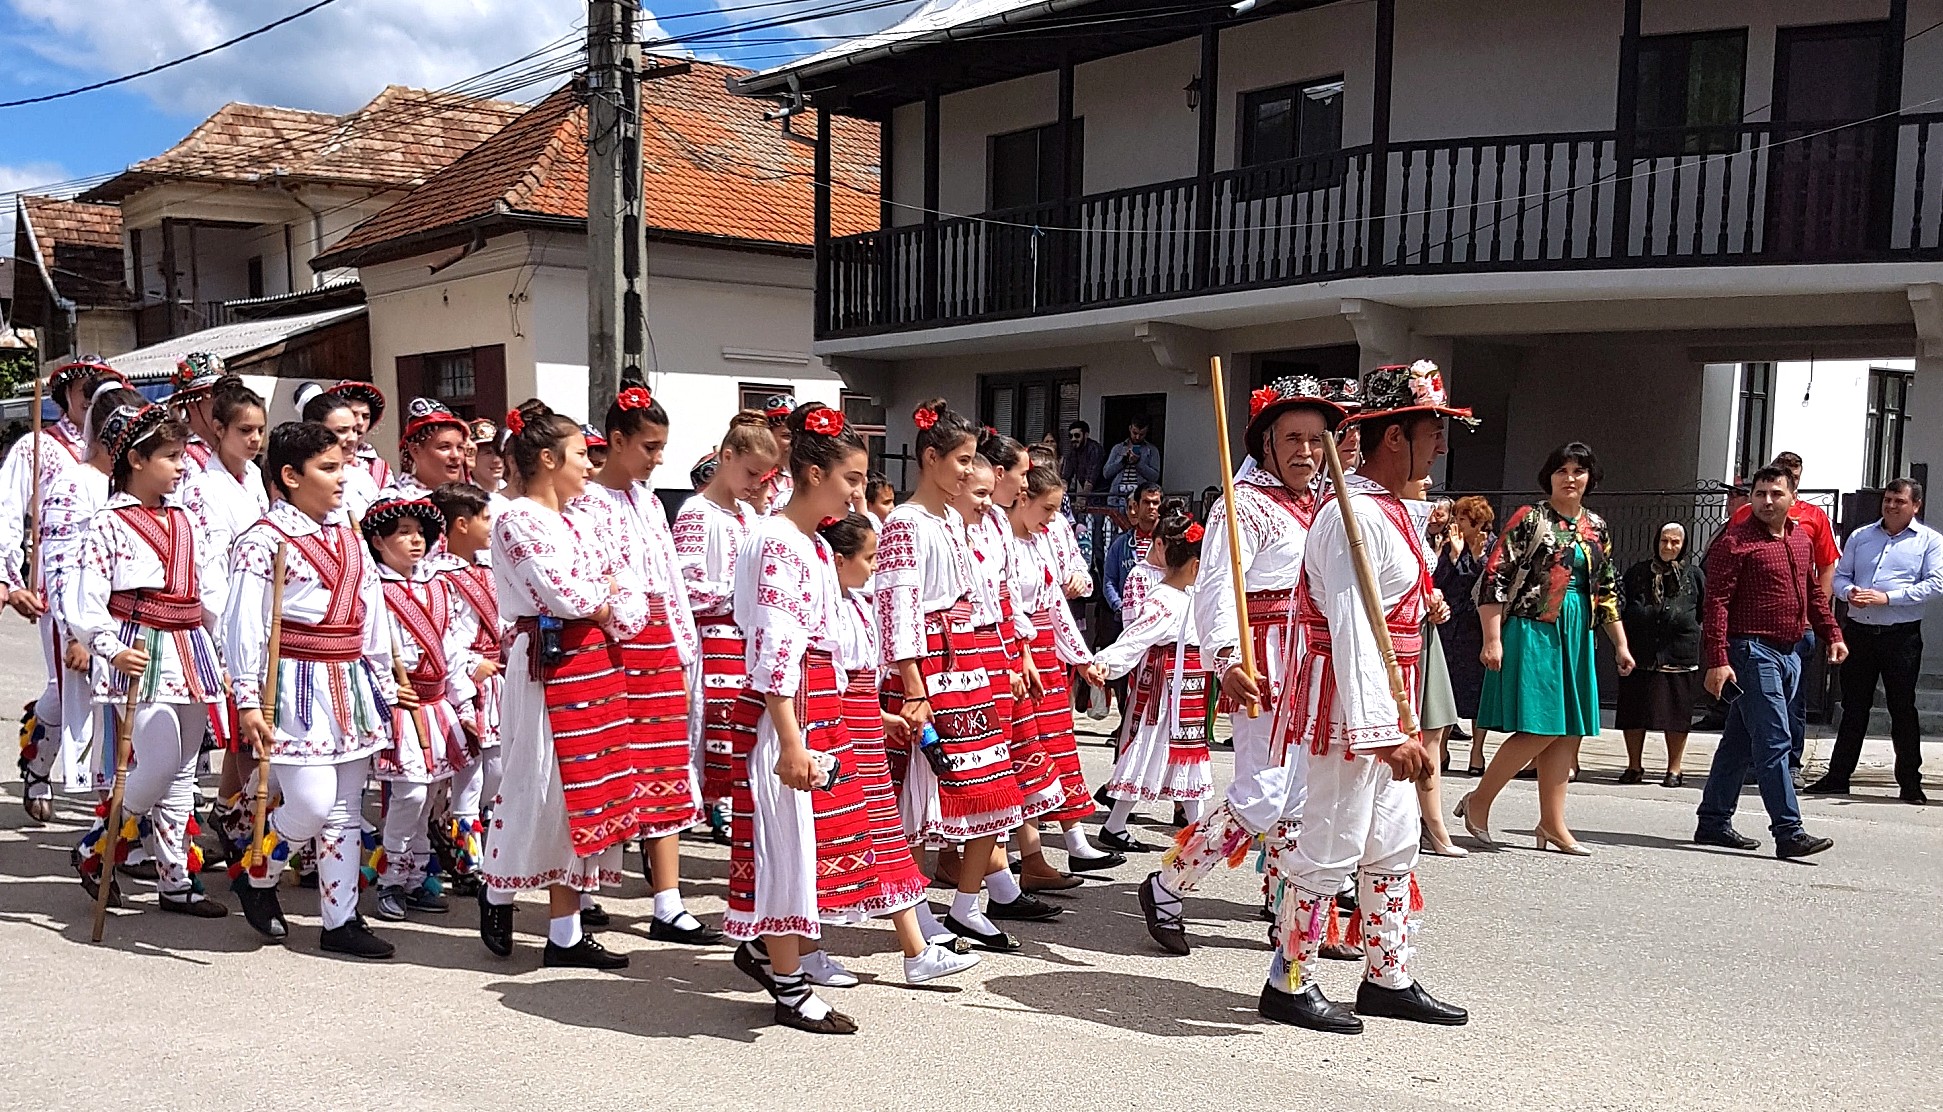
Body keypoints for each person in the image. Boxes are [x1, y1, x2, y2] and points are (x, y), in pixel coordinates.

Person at [1263, 361, 1469, 1033]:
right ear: (1392, 438)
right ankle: (1288, 980)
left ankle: (1387, 975)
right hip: (1350, 706)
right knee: (1330, 837)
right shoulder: (1348, 519)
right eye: (1431, 431)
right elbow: (1353, 632)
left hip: (1390, 695)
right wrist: (1382, 729)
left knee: (1391, 838)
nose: (1439, 444)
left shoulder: (1387, 511)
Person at [1139, 375, 1356, 956]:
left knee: (1301, 795)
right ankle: (1167, 882)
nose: (1306, 452)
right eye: (1293, 438)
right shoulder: (1245, 506)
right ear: (1267, 443)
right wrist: (1228, 658)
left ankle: (1288, 914)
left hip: (1315, 661)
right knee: (1261, 793)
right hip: (1264, 660)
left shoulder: (1326, 504)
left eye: (1316, 439)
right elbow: (1215, 587)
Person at [227, 421, 406, 958]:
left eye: (344, 465)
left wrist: (383, 680)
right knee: (308, 803)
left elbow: (372, 614)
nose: (342, 477)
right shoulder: (263, 541)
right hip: (293, 686)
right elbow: (244, 624)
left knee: (347, 810)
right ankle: (256, 869)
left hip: (348, 682)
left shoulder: (350, 536)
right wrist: (245, 696)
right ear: (289, 474)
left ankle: (340, 920)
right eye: (328, 468)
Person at [477, 402, 642, 968]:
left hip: (594, 661)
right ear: (548, 460)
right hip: (545, 663)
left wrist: (604, 597)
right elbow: (564, 595)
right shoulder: (516, 519)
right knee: (537, 782)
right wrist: (603, 594)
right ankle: (497, 885)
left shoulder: (581, 519)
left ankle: (565, 932)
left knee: (584, 790)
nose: (590, 467)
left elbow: (631, 597)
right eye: (580, 456)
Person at [70, 401, 229, 919]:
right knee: (158, 760)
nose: (182, 466)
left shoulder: (185, 519)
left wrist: (222, 648)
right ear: (135, 460)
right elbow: (87, 597)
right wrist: (109, 646)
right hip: (138, 647)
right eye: (170, 456)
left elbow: (209, 590)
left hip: (189, 647)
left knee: (184, 771)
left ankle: (175, 877)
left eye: (183, 456)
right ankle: (98, 845)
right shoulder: (108, 524)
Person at [877, 400, 1025, 951]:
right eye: (961, 460)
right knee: (920, 793)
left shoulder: (952, 523)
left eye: (973, 462)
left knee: (991, 787)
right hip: (931, 665)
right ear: (931, 458)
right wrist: (913, 686)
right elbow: (897, 605)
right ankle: (915, 909)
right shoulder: (905, 524)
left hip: (968, 657)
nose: (968, 471)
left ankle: (966, 904)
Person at [579, 383, 716, 944]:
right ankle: (582, 887)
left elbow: (673, 587)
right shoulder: (585, 504)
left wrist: (686, 650)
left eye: (662, 447)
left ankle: (668, 901)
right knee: (604, 769)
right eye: (650, 446)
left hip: (661, 642)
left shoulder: (651, 503)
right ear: (616, 440)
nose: (659, 458)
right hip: (613, 646)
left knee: (665, 769)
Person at [821, 510, 982, 982]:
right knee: (834, 839)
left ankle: (916, 948)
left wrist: (882, 715)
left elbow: (859, 682)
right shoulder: (829, 608)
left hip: (861, 725)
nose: (874, 567)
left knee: (884, 835)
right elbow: (833, 682)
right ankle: (794, 948)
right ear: (839, 559)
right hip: (839, 729)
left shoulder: (852, 604)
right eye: (868, 558)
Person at [1462, 442, 1634, 856]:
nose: (1570, 478)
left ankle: (1553, 824)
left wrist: (1621, 645)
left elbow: (1607, 589)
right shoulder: (1530, 518)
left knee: (1566, 731)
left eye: (1579, 470)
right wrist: (1492, 638)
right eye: (1562, 470)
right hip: (1534, 628)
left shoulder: (1596, 526)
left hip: (1577, 629)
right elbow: (1495, 578)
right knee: (1542, 726)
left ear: (1590, 477)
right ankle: (1479, 800)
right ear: (1549, 476)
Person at [1695, 466, 1846, 859]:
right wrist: (1718, 660)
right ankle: (1788, 831)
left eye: (1775, 493)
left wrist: (1832, 633)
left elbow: (1813, 592)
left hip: (1791, 650)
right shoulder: (1735, 542)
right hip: (1750, 651)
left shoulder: (1800, 539)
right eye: (1759, 493)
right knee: (1775, 739)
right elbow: (1717, 604)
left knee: (1738, 741)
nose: (1765, 501)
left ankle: (1712, 821)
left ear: (1792, 497)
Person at [2, 359, 123, 822]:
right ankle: (40, 762)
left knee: (105, 694)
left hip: (114, 590)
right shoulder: (39, 448)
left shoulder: (122, 445)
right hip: (62, 584)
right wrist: (10, 579)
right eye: (83, 390)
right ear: (65, 394)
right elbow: (9, 510)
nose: (89, 400)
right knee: (67, 685)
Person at [362, 497, 473, 923]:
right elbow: (369, 649)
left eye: (419, 532)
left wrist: (462, 701)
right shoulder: (374, 590)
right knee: (407, 790)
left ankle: (415, 876)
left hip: (434, 701)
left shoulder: (438, 587)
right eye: (403, 532)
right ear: (378, 540)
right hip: (402, 704)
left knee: (431, 793)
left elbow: (452, 648)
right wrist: (388, 688)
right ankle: (389, 875)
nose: (415, 540)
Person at [673, 411, 781, 841]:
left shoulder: (749, 517)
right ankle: (701, 809)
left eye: (764, 476)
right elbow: (685, 587)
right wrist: (736, 594)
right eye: (751, 472)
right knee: (707, 728)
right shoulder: (697, 512)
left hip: (745, 640)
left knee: (743, 727)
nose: (757, 483)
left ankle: (735, 807)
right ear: (726, 456)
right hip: (712, 639)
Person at [1005, 461, 1112, 881]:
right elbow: (1008, 605)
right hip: (1017, 651)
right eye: (1047, 509)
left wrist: (1081, 658)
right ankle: (1025, 857)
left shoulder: (1038, 541)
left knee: (1054, 743)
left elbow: (1059, 604)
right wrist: (1025, 649)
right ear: (1023, 498)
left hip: (1046, 652)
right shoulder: (1002, 542)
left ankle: (1060, 846)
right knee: (1023, 749)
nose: (1053, 519)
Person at [1806, 478, 1943, 804]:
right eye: (1888, 500)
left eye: (1899, 501)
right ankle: (1838, 776)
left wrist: (1888, 598)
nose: (1892, 506)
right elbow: (1840, 576)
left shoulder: (1929, 542)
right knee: (1854, 707)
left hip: (1901, 635)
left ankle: (1910, 782)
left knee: (1902, 709)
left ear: (1916, 506)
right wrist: (1848, 592)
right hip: (1860, 632)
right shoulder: (1861, 536)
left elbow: (1935, 584)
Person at [1096, 511, 1212, 851]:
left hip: (1187, 686)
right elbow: (1135, 637)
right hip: (1164, 691)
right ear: (1193, 565)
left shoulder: (1191, 595)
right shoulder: (1162, 599)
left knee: (1186, 752)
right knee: (1153, 748)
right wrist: (1105, 662)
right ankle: (1123, 824)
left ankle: (1193, 828)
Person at [1726, 452, 1840, 779]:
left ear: (1795, 488)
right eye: (1763, 491)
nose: (1770, 499)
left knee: (1791, 704)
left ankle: (1790, 763)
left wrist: (1823, 624)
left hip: (1796, 630)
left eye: (1783, 486)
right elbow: (1723, 588)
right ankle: (1785, 819)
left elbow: (1822, 572)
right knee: (1760, 715)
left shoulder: (1810, 522)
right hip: (1753, 636)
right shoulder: (1746, 520)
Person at [426, 482, 502, 890]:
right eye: (485, 518)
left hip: (496, 682)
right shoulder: (439, 577)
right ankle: (465, 858)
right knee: (471, 772)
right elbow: (443, 634)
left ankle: (452, 836)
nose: (491, 526)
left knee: (495, 770)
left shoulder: (485, 569)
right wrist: (470, 669)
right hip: (468, 681)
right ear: (460, 524)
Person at [1616, 523, 1705, 788]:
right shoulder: (1637, 573)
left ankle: (1674, 770)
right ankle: (1634, 766)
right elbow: (1623, 605)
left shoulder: (1694, 575)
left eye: (1675, 542)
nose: (1668, 547)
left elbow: (1702, 610)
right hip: (1640, 652)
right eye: (1664, 541)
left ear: (1683, 545)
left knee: (1677, 714)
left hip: (1678, 654)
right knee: (1633, 711)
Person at [1437, 496, 1493, 774]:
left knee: (1478, 692)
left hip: (1478, 628)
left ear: (1478, 521)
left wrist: (1476, 559)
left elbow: (1490, 585)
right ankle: (1442, 748)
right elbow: (1439, 582)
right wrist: (1454, 557)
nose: (1455, 523)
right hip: (1451, 628)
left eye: (1461, 518)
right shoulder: (1450, 545)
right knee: (1447, 689)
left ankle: (1477, 752)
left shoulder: (1493, 547)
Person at [301, 392, 381, 520]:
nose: (353, 439)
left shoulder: (363, 478)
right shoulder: (301, 478)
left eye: (354, 430)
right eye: (341, 431)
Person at [386, 398, 471, 500]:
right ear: (415, 450)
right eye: (444, 447)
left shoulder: (466, 500)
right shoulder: (395, 502)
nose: (456, 455)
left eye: (460, 447)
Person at [166, 352, 227, 473]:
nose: (226, 406)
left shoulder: (232, 446)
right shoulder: (181, 456)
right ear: (192, 404)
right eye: (215, 397)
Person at [330, 380, 392, 491]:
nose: (360, 422)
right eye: (353, 414)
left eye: (365, 416)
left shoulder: (379, 469)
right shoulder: (313, 460)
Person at [1101, 417, 1162, 505]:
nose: (1137, 437)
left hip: (1139, 498)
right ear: (1130, 429)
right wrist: (1122, 461)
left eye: (1141, 434)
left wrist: (1138, 463)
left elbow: (1155, 477)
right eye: (1135, 433)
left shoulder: (1152, 450)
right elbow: (1106, 473)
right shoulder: (1118, 448)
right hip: (1117, 498)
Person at [1060, 420, 1104, 496]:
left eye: (1077, 435)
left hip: (1102, 492)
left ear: (1086, 435)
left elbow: (1090, 480)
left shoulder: (1095, 449)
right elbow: (1066, 477)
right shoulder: (1072, 452)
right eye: (1071, 436)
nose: (1073, 439)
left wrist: (1082, 499)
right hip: (1089, 493)